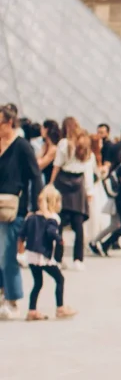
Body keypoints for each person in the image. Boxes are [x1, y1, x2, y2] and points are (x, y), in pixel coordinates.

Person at [0, 104, 44, 320]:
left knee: (7, 254)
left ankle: (13, 299)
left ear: (9, 123)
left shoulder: (22, 146)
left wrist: (35, 208)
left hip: (13, 208)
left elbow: (36, 176)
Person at [22, 186, 75, 321]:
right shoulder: (52, 218)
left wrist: (20, 250)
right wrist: (59, 240)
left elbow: (22, 234)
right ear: (54, 202)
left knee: (37, 283)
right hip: (44, 256)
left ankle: (32, 310)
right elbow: (51, 232)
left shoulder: (31, 217)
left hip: (31, 255)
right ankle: (60, 307)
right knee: (60, 279)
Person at [50, 118, 95, 271]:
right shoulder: (86, 144)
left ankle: (58, 257)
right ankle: (78, 259)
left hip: (63, 182)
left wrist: (50, 184)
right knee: (78, 224)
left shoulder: (64, 143)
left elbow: (57, 165)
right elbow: (88, 169)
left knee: (59, 224)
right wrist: (89, 191)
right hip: (79, 184)